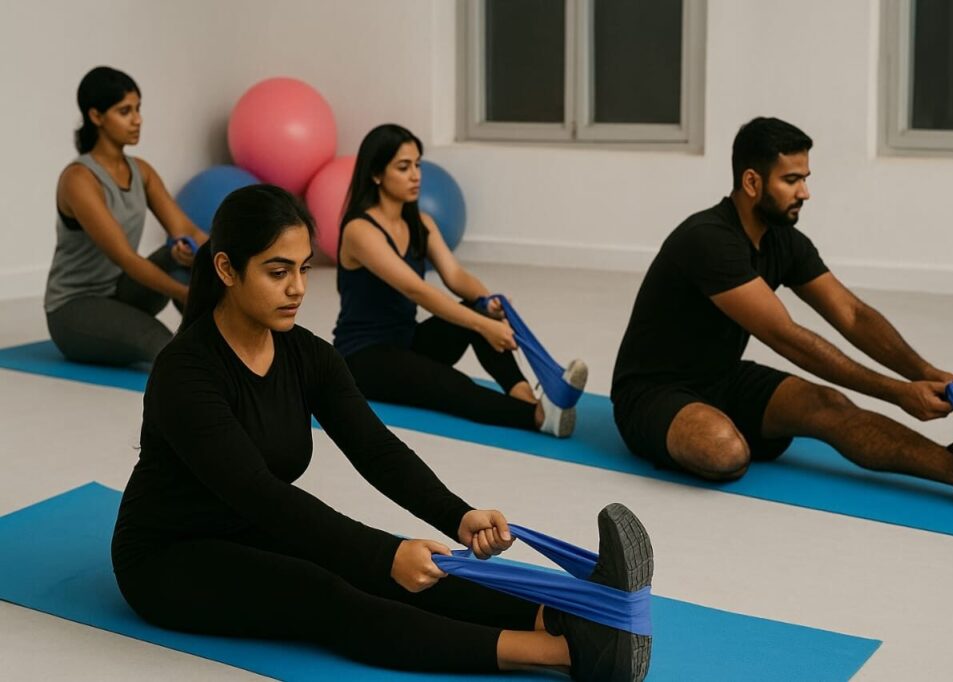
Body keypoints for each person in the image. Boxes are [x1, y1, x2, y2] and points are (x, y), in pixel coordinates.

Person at [111, 184, 654, 680]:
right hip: (169, 556)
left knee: (423, 567)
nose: (298, 288)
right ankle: (574, 653)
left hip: (256, 528)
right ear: (227, 269)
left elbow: (376, 448)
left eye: (303, 268)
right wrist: (381, 555)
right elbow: (260, 492)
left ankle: (558, 615)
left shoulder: (307, 355)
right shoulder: (185, 371)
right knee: (329, 593)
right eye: (278, 272)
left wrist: (456, 514)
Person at [611, 116, 953, 511]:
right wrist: (896, 393)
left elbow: (852, 314)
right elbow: (786, 337)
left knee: (828, 404)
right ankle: (705, 429)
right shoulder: (708, 240)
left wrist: (925, 373)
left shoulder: (783, 241)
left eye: (805, 178)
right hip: (652, 392)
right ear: (752, 182)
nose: (804, 192)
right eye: (791, 180)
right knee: (725, 451)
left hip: (721, 376)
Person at [333, 124, 586, 438]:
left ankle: (526, 396)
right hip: (364, 359)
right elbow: (417, 290)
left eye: (417, 165)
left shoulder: (420, 223)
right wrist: (483, 326)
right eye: (403, 167)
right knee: (451, 384)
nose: (416, 175)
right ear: (376, 174)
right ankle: (537, 417)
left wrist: (487, 303)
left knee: (478, 311)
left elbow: (455, 276)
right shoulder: (360, 231)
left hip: (408, 341)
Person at [44, 66, 207, 366]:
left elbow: (187, 231)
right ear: (96, 117)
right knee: (160, 341)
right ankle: (198, 368)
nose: (137, 119)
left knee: (181, 255)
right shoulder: (79, 180)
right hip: (74, 309)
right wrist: (187, 293)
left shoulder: (141, 171)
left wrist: (233, 260)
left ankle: (219, 343)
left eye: (138, 109)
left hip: (121, 292)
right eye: (125, 111)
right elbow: (127, 259)